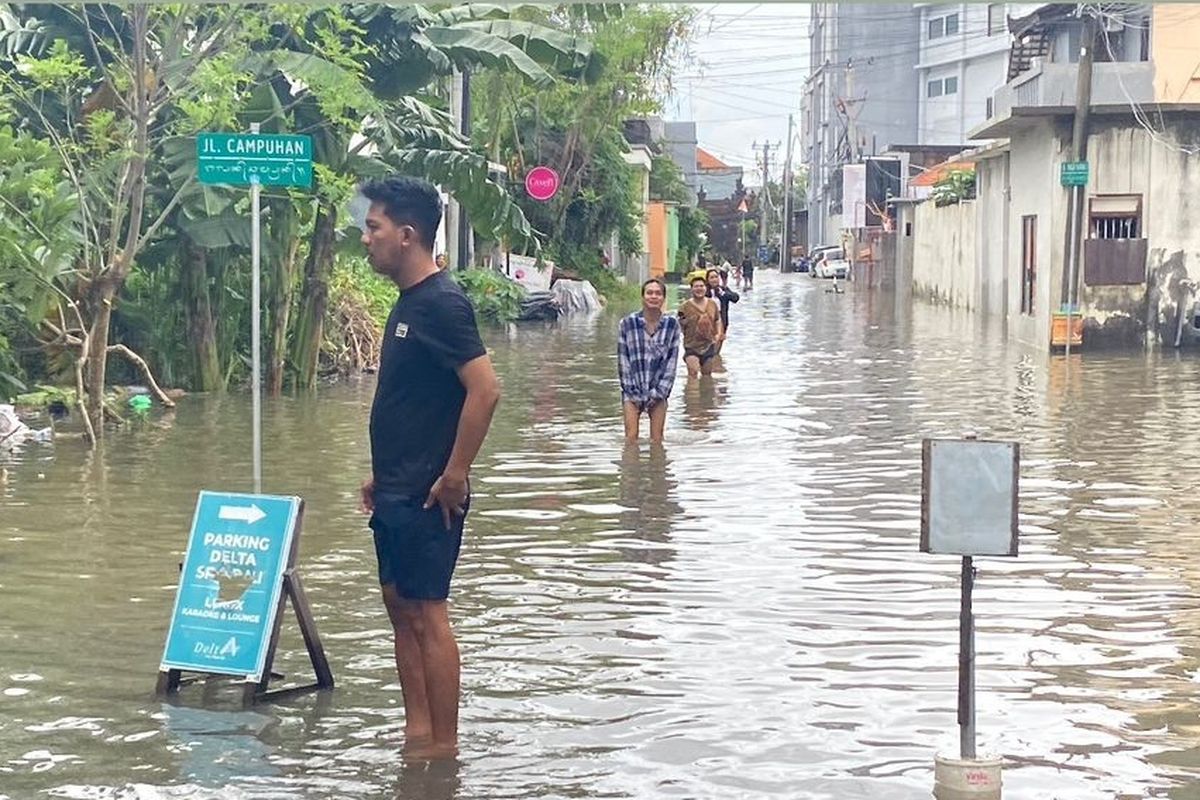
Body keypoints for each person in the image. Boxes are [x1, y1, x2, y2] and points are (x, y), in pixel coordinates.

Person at [357, 175, 502, 758]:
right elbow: (412, 397)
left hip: (428, 493)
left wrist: (455, 474)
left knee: (427, 613)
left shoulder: (443, 303)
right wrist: (382, 469)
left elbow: (486, 390)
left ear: (407, 235)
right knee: (399, 607)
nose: (366, 239)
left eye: (374, 228)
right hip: (395, 485)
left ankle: (444, 749)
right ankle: (415, 734)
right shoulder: (407, 302)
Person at [617, 278, 681, 443]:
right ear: (643, 297)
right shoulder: (627, 323)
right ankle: (631, 468)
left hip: (659, 391)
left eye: (658, 293)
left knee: (657, 440)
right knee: (631, 439)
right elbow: (623, 360)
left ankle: (656, 468)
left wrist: (659, 392)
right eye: (650, 293)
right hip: (632, 391)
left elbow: (671, 363)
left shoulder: (672, 325)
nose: (654, 296)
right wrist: (631, 391)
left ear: (663, 298)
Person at [678, 276, 723, 377]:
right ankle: (691, 392)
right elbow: (680, 324)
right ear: (692, 289)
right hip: (691, 345)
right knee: (693, 373)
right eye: (696, 286)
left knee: (707, 375)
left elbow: (718, 320)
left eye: (701, 286)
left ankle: (706, 392)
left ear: (706, 288)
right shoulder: (684, 307)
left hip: (708, 344)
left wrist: (718, 334)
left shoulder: (713, 304)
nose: (699, 288)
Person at [706, 268, 739, 352]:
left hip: (722, 322)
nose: (714, 279)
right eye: (711, 277)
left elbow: (735, 298)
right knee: (708, 348)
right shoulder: (704, 291)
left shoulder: (723, 290)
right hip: (707, 323)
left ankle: (716, 363)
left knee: (717, 349)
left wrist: (723, 293)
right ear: (707, 280)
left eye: (716, 277)